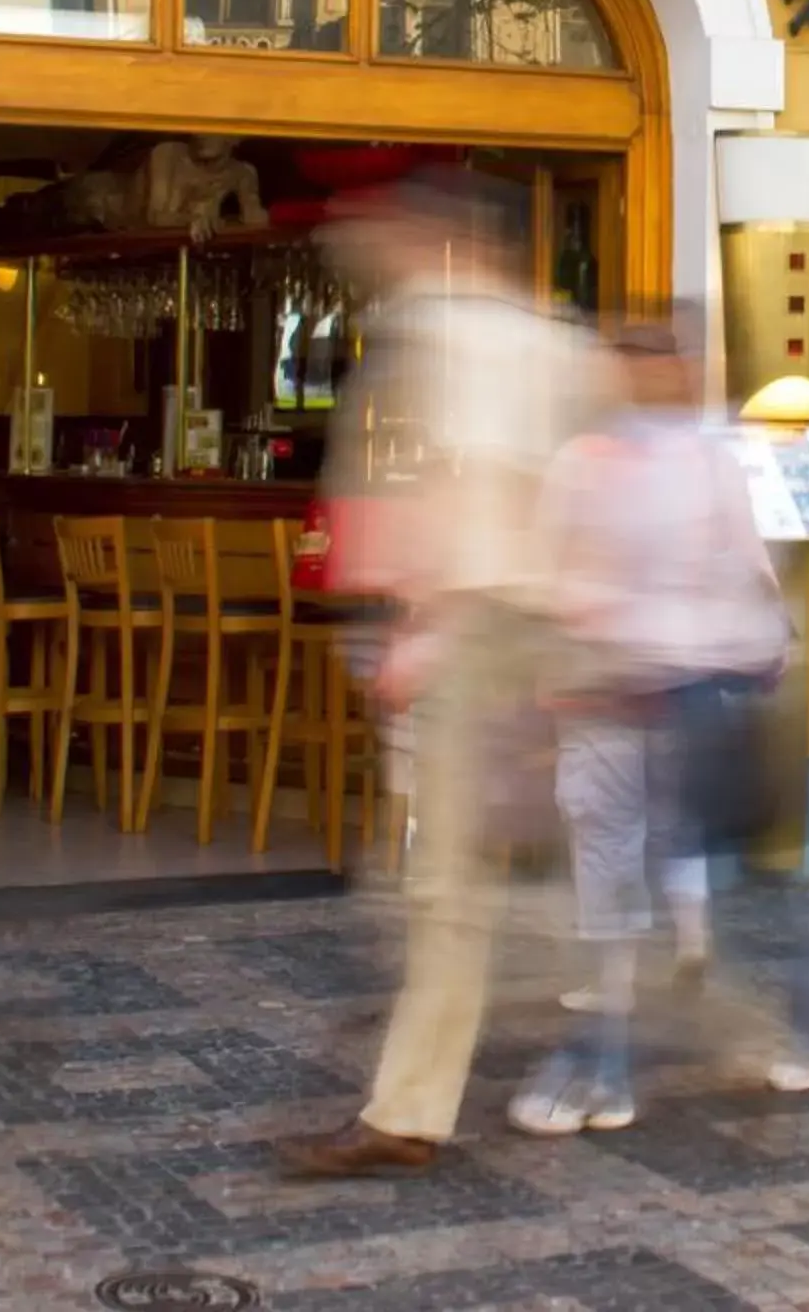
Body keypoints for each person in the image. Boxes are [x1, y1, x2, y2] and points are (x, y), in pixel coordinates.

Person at [282, 168, 610, 1178]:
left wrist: (437, 622)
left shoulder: (468, 336)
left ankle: (409, 1111)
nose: (367, 247)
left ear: (448, 237)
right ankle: (683, 1007)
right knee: (521, 866)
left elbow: (490, 480)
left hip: (490, 630)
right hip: (539, 627)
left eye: (383, 231)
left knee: (446, 879)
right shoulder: (559, 340)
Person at [509, 313, 809, 1134]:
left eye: (658, 362)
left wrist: (745, 663)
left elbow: (752, 577)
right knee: (610, 875)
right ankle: (602, 1061)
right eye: (629, 363)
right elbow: (547, 570)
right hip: (606, 696)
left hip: (699, 695)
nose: (643, 378)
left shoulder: (717, 461)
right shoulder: (581, 463)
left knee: (742, 873)